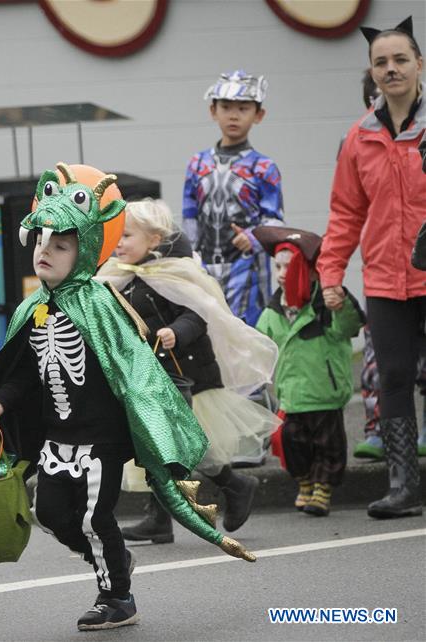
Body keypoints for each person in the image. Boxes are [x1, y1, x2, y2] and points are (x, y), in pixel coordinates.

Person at [0, 164, 254, 632]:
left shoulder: (101, 304)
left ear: (84, 251)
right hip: (56, 439)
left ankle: (117, 596)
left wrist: (152, 433)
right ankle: (117, 560)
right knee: (52, 515)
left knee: (96, 518)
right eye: (42, 242)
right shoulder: (31, 308)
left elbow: (134, 372)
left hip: (102, 439)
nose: (46, 252)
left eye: (61, 245)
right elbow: (22, 374)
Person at [99, 200, 278, 544]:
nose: (119, 242)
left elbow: (198, 314)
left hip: (188, 376)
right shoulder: (118, 274)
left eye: (127, 235)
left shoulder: (173, 272)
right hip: (151, 379)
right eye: (115, 235)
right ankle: (160, 519)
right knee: (156, 448)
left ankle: (235, 484)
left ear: (153, 240)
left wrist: (175, 332)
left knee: (188, 447)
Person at [317, 16, 425, 519]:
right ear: (372, 71)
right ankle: (404, 488)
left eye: (400, 59)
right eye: (381, 61)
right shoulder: (358, 138)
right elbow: (346, 213)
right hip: (386, 280)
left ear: (419, 65)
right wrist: (331, 272)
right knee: (394, 378)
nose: (391, 68)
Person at [254, 227, 365, 516]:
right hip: (291, 394)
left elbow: (350, 327)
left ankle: (323, 489)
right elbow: (258, 345)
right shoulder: (274, 310)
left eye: (289, 268)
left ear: (311, 271)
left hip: (324, 391)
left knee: (329, 445)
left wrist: (340, 302)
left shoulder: (326, 306)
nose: (281, 273)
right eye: (277, 266)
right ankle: (305, 481)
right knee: (293, 442)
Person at [182, 69, 285, 328]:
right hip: (204, 265)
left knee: (246, 334)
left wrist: (253, 236)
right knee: (205, 330)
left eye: (243, 108)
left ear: (258, 115)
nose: (234, 115)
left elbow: (275, 220)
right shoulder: (197, 163)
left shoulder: (263, 167)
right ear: (213, 111)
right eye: (226, 107)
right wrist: (188, 257)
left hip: (246, 268)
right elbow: (189, 216)